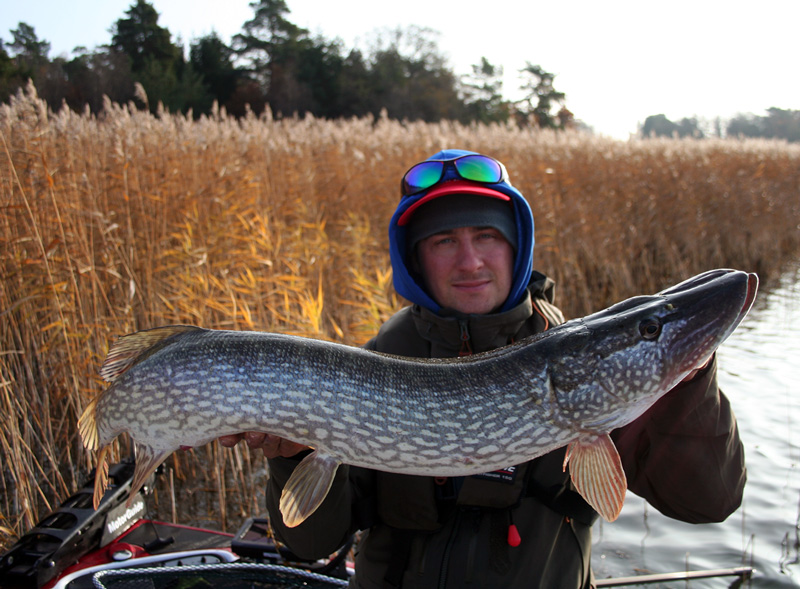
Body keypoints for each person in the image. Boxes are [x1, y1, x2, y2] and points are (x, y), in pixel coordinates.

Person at [220, 149, 746, 588]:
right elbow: (310, 542)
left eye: (486, 236)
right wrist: (293, 456)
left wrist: (687, 372)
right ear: (416, 260)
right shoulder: (375, 365)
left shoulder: (589, 367)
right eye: (444, 241)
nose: (469, 261)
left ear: (516, 248)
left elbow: (710, 501)